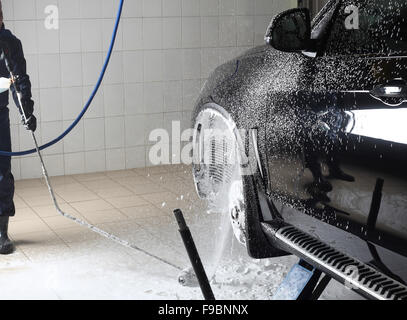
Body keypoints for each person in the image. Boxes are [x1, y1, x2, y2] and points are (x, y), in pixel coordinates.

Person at [0, 1, 37, 254]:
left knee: (2, 174)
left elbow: (17, 79)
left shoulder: (9, 43)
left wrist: (26, 108)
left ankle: (1, 232)